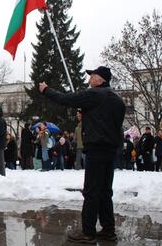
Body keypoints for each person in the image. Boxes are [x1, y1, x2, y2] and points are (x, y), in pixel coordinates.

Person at [39, 66, 125, 243]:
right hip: (110, 150)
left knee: (92, 191)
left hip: (96, 149)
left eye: (92, 76)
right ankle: (108, 229)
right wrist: (87, 114)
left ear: (100, 80)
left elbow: (65, 99)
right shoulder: (117, 99)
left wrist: (46, 90)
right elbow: (106, 122)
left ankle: (88, 232)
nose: (89, 79)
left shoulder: (95, 94)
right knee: (105, 191)